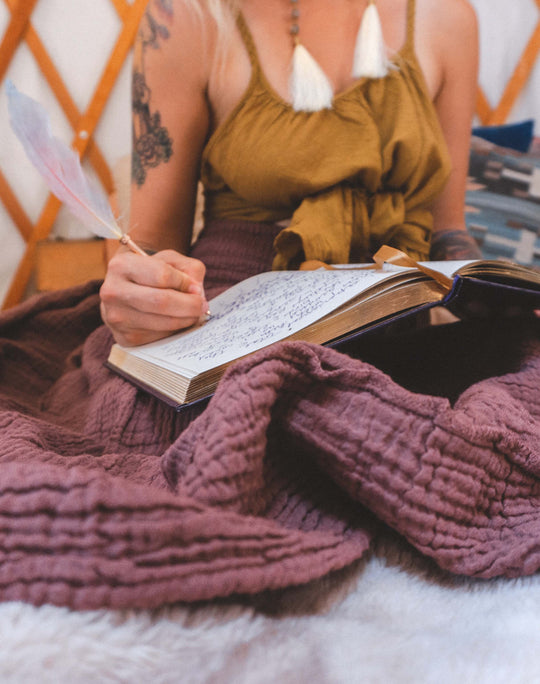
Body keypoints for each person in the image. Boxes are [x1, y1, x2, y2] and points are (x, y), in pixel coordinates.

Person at [100, 0, 481, 347]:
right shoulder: (187, 14)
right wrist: (140, 296)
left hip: (395, 325)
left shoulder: (447, 16)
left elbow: (448, 232)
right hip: (234, 326)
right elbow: (152, 247)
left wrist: (500, 293)